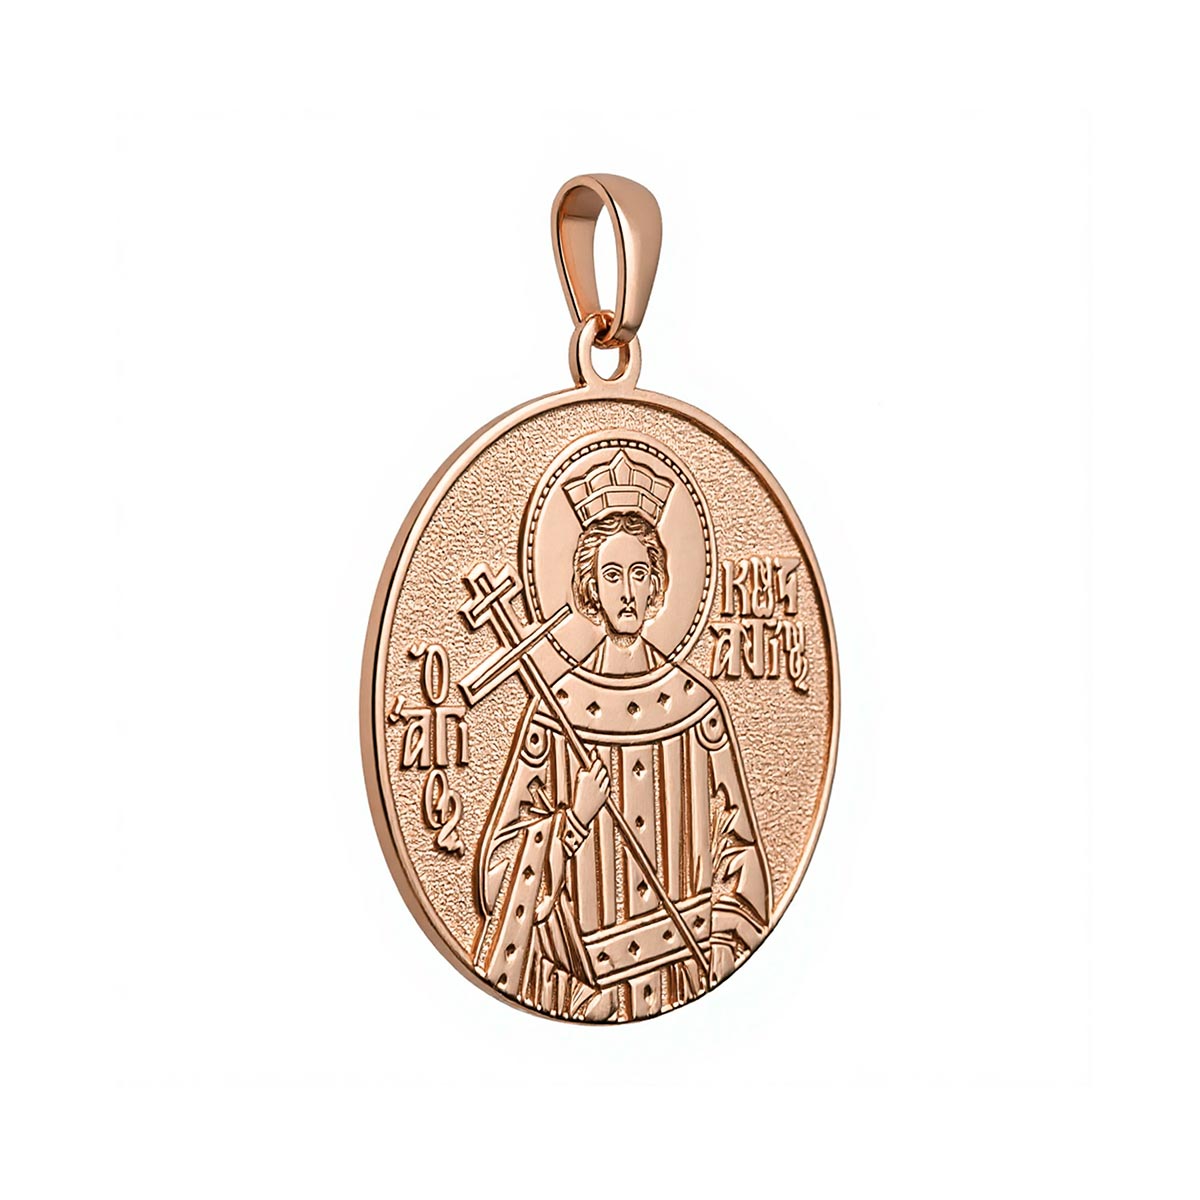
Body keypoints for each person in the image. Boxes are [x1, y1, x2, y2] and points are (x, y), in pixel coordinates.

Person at [473, 450, 771, 1020]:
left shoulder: (697, 706)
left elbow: (740, 849)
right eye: (612, 575)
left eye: (639, 573)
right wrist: (572, 821)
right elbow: (495, 885)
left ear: (658, 584)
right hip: (584, 992)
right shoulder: (556, 713)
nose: (627, 592)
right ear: (590, 587)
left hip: (691, 976)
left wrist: (723, 947)